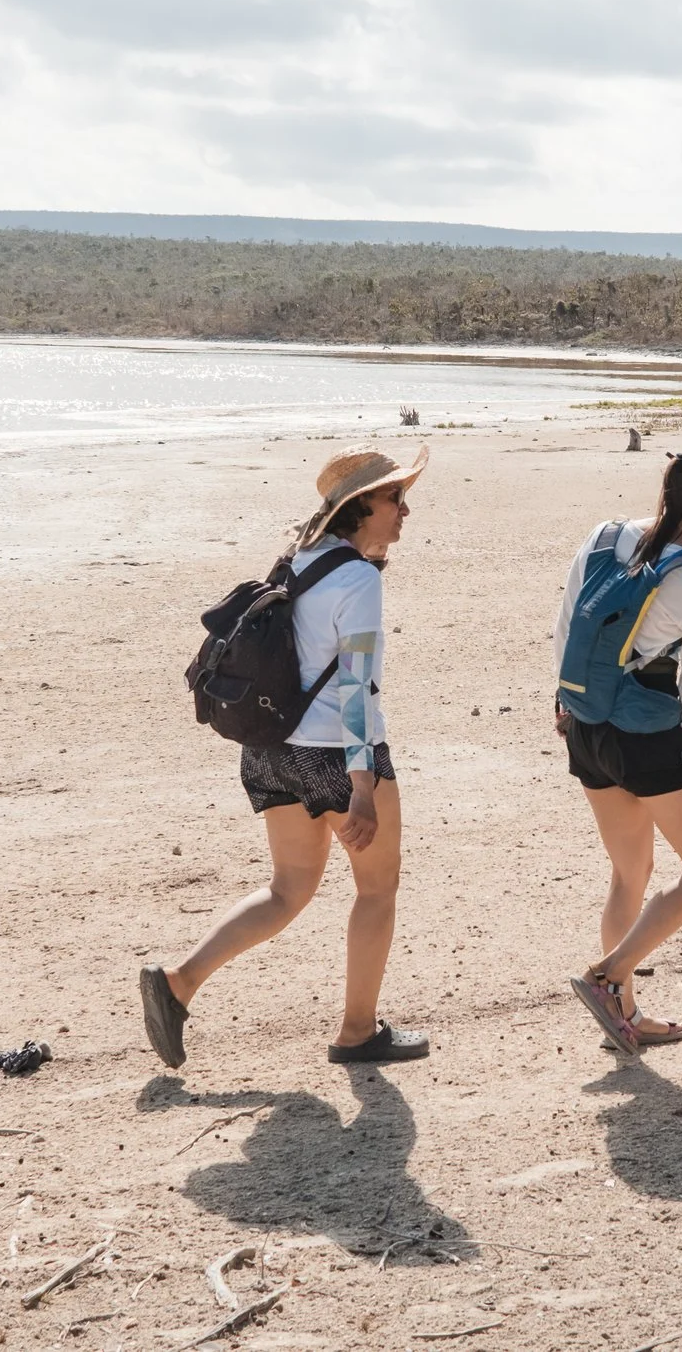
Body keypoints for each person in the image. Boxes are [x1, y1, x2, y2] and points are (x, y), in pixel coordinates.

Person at [142, 444, 431, 1068]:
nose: (405, 510)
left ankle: (178, 982)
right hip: (335, 755)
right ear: (359, 508)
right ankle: (358, 1031)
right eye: (394, 498)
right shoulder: (355, 577)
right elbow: (357, 684)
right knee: (377, 889)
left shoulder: (300, 560)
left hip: (272, 751)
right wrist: (361, 785)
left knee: (288, 890)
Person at [557, 447, 682, 1053]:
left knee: (631, 872)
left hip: (585, 722)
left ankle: (623, 1012)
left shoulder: (605, 534)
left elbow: (568, 622)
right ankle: (608, 978)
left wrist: (566, 703)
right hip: (646, 734)